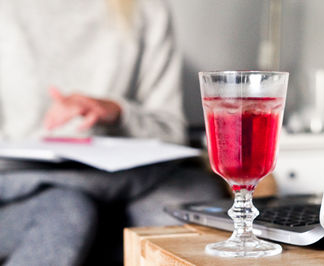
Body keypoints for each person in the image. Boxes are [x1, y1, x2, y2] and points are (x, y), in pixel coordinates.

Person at [0, 0, 225, 265]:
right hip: (17, 177)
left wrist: (119, 113)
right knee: (64, 212)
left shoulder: (148, 10)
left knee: (187, 202)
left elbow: (171, 131)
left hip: (126, 171)